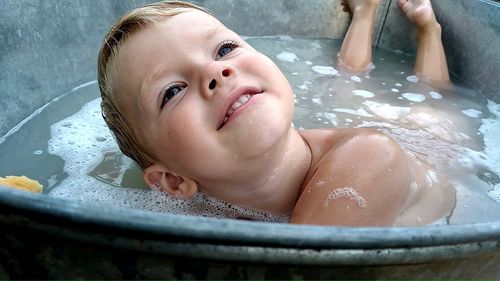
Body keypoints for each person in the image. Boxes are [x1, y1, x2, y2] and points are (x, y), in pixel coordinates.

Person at [97, 0, 455, 226]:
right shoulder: (201, 209)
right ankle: (364, 11)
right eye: (172, 91)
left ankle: (428, 30)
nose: (214, 72)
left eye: (224, 49)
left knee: (427, 107)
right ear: (172, 182)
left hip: (435, 152)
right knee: (349, 82)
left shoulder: (369, 159)